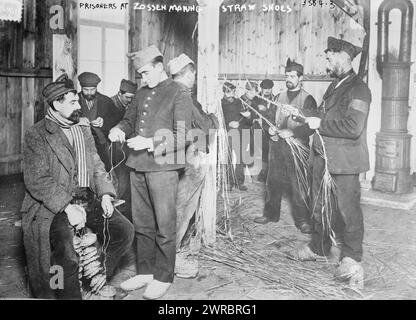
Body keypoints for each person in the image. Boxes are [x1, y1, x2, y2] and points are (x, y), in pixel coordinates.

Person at [21, 74, 134, 299]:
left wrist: (104, 194)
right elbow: (38, 180)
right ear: (56, 104)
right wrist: (67, 207)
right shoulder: (37, 134)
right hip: (53, 205)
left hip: (86, 197)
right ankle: (71, 294)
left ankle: (96, 277)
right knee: (67, 256)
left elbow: (95, 163)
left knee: (124, 232)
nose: (78, 105)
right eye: (73, 102)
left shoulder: (82, 128)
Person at [109, 45, 194, 299]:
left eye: (146, 73)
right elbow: (128, 119)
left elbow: (185, 135)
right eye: (140, 75)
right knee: (142, 223)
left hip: (163, 168)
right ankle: (145, 272)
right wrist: (120, 129)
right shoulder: (142, 93)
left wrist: (150, 143)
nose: (143, 79)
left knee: (164, 225)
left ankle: (163, 276)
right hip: (138, 165)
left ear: (159, 67)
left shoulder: (179, 92)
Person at [295, 37, 371, 289]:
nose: (326, 60)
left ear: (343, 57)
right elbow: (320, 115)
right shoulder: (335, 86)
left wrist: (321, 124)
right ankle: (319, 247)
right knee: (320, 206)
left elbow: (353, 126)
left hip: (344, 163)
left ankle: (351, 258)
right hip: (323, 157)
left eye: (329, 57)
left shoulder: (359, 89)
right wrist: (299, 116)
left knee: (347, 212)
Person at [168, 53, 219, 278]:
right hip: (189, 158)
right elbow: (205, 126)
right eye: (194, 74)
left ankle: (167, 253)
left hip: (170, 160)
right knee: (184, 207)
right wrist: (214, 118)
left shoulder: (164, 92)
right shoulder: (185, 96)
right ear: (188, 74)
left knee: (172, 206)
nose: (195, 77)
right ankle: (171, 258)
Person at [254, 59, 317, 235]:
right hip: (277, 147)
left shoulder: (308, 100)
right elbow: (266, 117)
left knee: (298, 185)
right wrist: (270, 130)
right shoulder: (278, 97)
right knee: (272, 182)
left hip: (296, 148)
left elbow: (311, 127)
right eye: (286, 75)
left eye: (292, 76)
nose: (288, 79)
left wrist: (293, 133)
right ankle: (270, 214)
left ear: (300, 78)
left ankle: (303, 220)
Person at [78, 72, 119, 171]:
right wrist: (78, 120)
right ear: (81, 88)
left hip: (101, 145)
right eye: (86, 90)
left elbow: (117, 118)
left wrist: (104, 121)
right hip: (79, 143)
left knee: (103, 171)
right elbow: (64, 118)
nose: (89, 93)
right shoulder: (73, 100)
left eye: (92, 90)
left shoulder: (106, 100)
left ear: (96, 88)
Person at [110, 79, 138, 212]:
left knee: (126, 179)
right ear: (119, 93)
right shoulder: (110, 104)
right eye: (127, 97)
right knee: (118, 179)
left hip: (127, 149)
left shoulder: (130, 105)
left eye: (132, 98)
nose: (130, 101)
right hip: (113, 151)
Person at [221, 82, 251, 191]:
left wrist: (248, 116)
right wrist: (229, 123)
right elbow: (219, 119)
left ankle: (239, 182)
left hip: (240, 132)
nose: (232, 94)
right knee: (228, 158)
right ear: (224, 92)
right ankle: (229, 182)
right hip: (227, 133)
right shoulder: (220, 104)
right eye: (229, 91)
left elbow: (247, 118)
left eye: (233, 91)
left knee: (240, 158)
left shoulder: (240, 102)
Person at [256, 79, 277, 182]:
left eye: (269, 88)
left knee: (272, 149)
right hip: (258, 128)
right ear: (261, 89)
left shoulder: (276, 99)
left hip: (271, 128)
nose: (267, 91)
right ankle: (264, 170)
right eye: (265, 89)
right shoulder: (257, 99)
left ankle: (268, 171)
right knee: (264, 149)